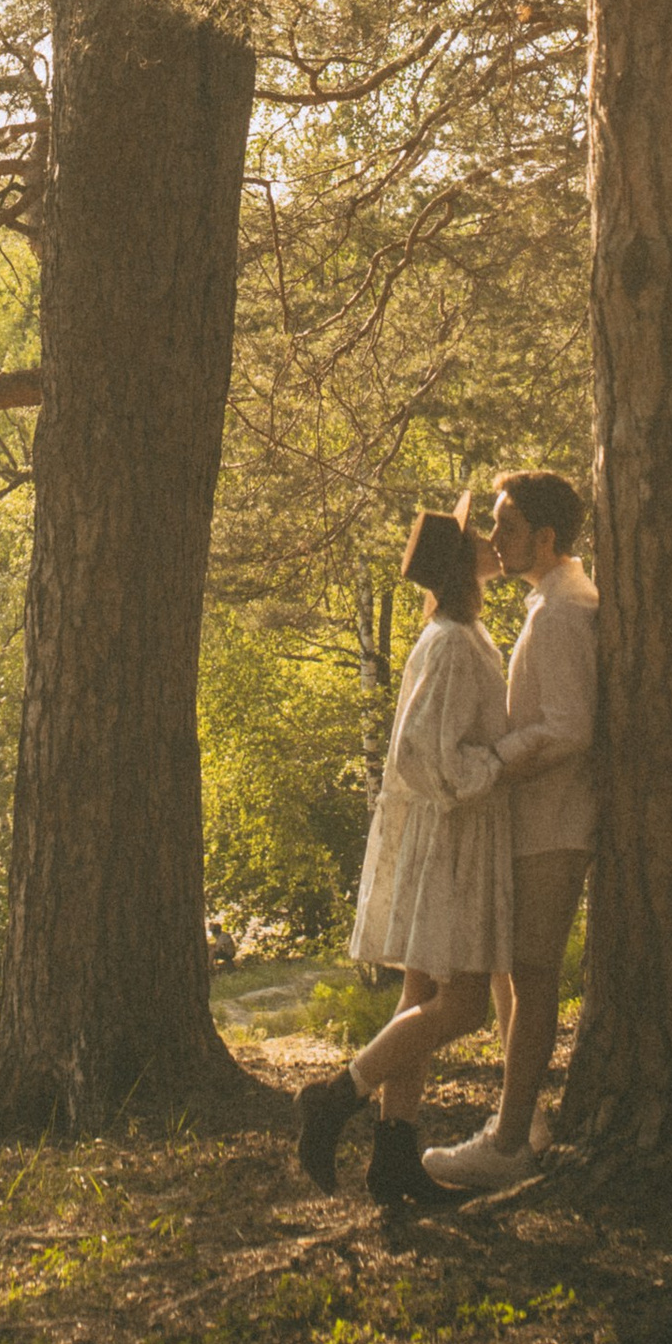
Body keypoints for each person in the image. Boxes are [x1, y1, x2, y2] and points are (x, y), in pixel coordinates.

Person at [297, 500, 511, 1212]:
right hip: (450, 835)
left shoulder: (461, 632)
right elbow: (426, 754)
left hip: (452, 832)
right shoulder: (450, 641)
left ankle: (394, 1156)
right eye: (478, 537)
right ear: (461, 563)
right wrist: (499, 765)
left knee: (419, 997)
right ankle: (336, 1095)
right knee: (466, 1002)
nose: (490, 543)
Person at [425, 467, 597, 1191]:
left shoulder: (560, 612)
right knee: (517, 973)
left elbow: (568, 726)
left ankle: (510, 1141)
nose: (496, 540)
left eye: (509, 527)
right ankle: (521, 1124)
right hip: (538, 817)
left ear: (547, 538)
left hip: (553, 819)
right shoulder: (553, 600)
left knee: (530, 976)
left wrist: (494, 761)